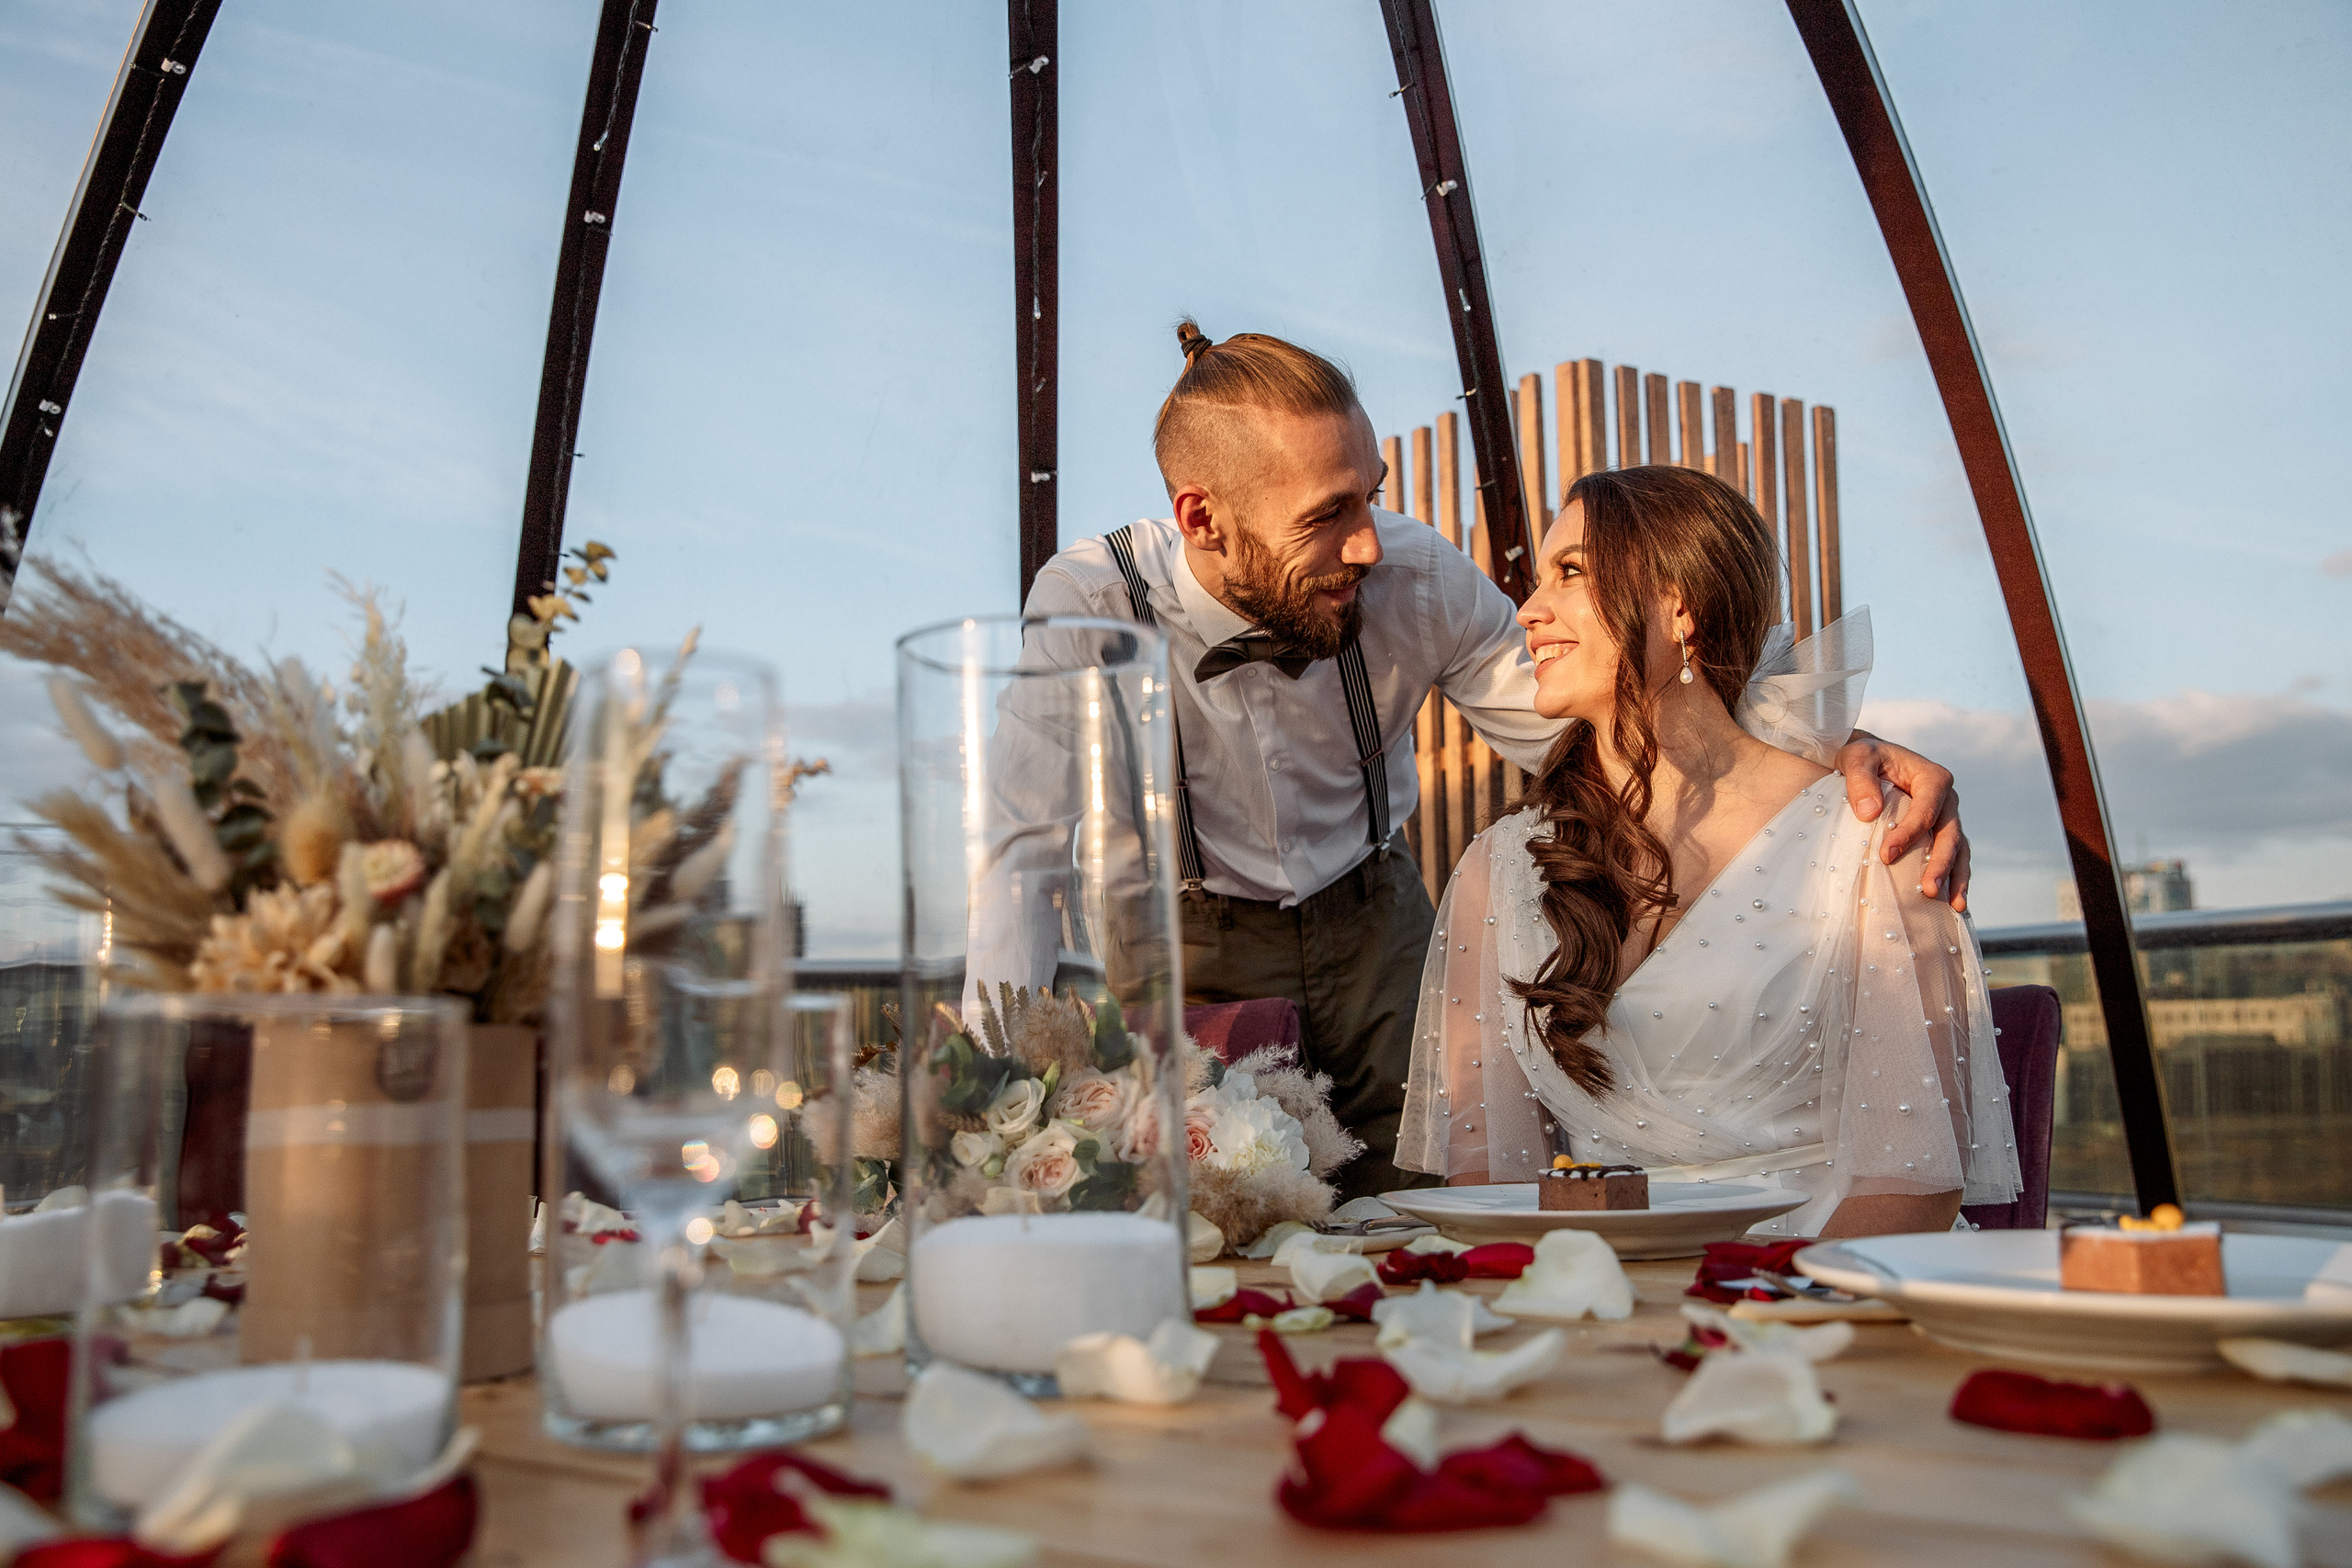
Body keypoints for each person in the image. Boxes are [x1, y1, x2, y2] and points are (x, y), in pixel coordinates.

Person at [978, 322, 1977, 1202]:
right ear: (1202, 519)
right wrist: (985, 1107)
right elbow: (1021, 858)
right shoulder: (1092, 600)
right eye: (1327, 515)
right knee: (1199, 1203)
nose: (1368, 546)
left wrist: (1822, 755)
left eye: (1370, 497)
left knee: (1414, 1192)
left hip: (1376, 914)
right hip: (1180, 933)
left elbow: (1594, 717)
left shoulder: (1414, 576)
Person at [1396, 465, 2020, 1235]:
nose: (1528, 610)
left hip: (1824, 1277)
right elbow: (1493, 1178)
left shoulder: (1870, 836)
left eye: (1571, 572)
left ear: (1680, 606)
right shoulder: (1498, 868)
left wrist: (1762, 1298)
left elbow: (1913, 1183)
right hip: (1595, 1285)